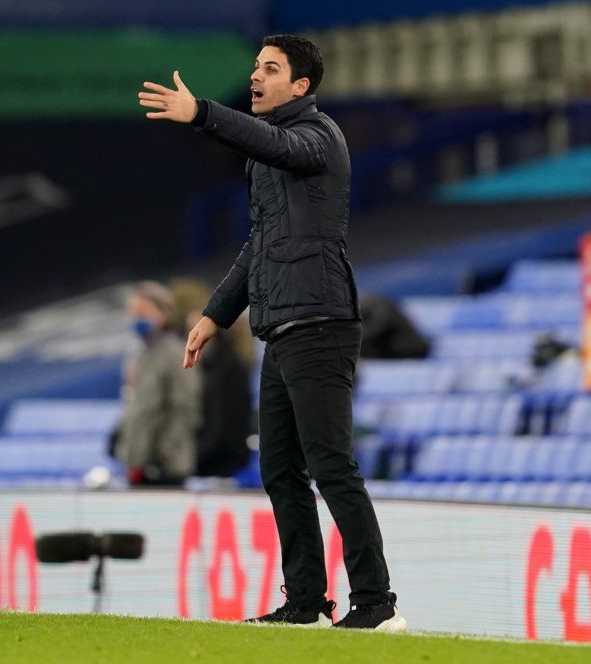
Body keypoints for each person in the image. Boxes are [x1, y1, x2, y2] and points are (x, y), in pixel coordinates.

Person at [138, 34, 406, 631]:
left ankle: (378, 604)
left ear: (301, 86)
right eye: (255, 67)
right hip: (280, 330)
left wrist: (203, 113)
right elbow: (260, 246)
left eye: (270, 68)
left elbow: (276, 142)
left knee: (331, 465)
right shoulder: (268, 157)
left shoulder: (316, 137)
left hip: (322, 323)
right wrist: (214, 313)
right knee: (280, 471)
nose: (256, 76)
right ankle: (307, 602)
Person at [113, 280, 200, 486]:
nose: (137, 319)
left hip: (166, 467)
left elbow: (186, 408)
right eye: (133, 313)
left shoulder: (175, 353)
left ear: (163, 313)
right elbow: (137, 408)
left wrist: (165, 454)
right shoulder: (140, 354)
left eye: (143, 312)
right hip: (140, 464)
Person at [170, 277, 254, 479]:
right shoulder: (220, 360)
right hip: (214, 458)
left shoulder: (224, 365)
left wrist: (188, 459)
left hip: (221, 463)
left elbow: (221, 426)